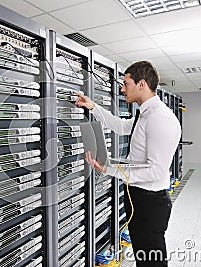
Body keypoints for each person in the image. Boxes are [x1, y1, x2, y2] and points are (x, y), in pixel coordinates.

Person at [75, 61, 181, 267]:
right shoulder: (146, 114)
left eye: (126, 83)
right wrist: (93, 106)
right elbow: (120, 125)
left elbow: (156, 171)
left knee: (152, 262)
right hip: (139, 199)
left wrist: (109, 169)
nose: (122, 89)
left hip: (150, 203)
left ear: (141, 84)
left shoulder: (160, 118)